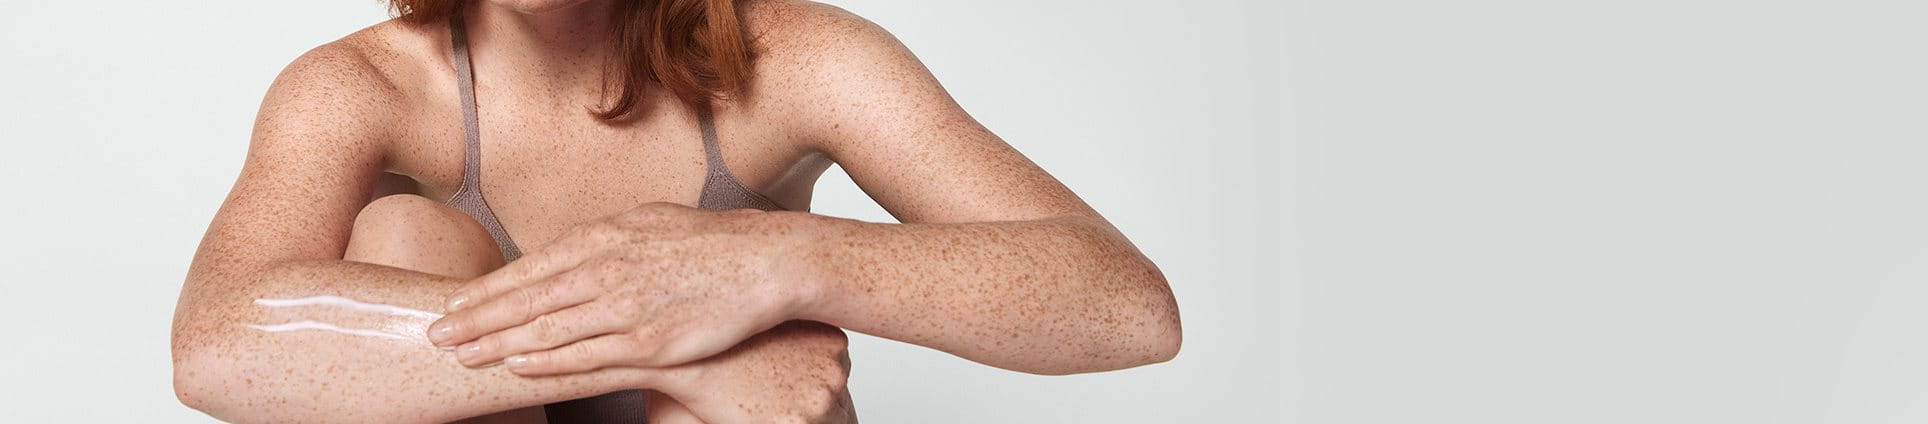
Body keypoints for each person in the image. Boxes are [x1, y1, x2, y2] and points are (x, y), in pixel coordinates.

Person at [170, 0, 1183, 422]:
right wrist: (664, 340)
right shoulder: (360, 89)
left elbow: (1125, 305)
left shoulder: (805, 60)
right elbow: (214, 343)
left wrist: (778, 259)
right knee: (406, 238)